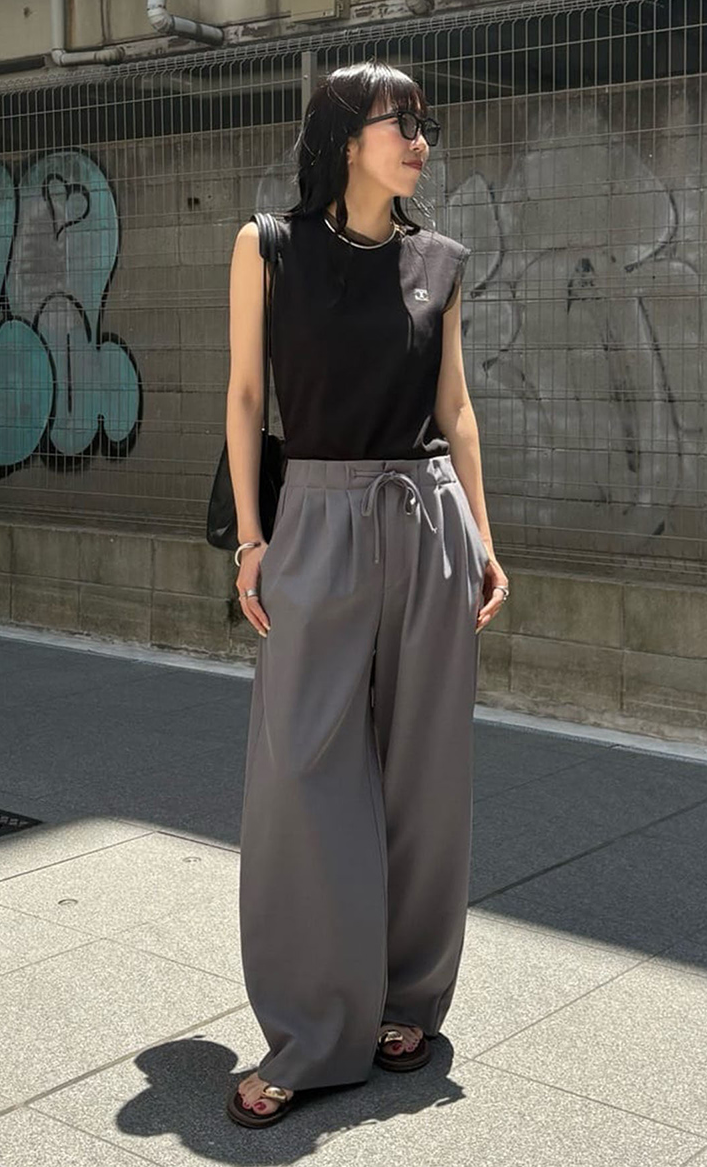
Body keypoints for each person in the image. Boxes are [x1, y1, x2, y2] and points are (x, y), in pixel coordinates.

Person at [224, 59, 509, 1129]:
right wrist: (251, 538)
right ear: (347, 135)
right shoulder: (268, 247)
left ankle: (407, 1000)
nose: (421, 141)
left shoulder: (442, 262)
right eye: (402, 123)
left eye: (427, 125)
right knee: (303, 773)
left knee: (425, 771)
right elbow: (245, 395)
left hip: (429, 519)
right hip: (314, 517)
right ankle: (312, 1030)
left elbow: (457, 408)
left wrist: (485, 541)